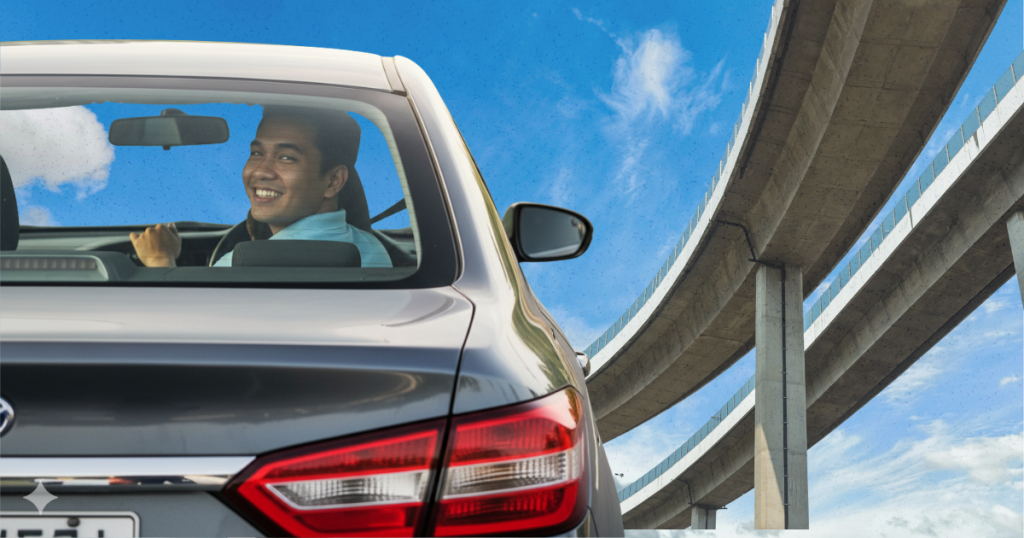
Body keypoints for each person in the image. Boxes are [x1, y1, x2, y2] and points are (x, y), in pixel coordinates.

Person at [130, 106, 392, 268]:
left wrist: (159, 261)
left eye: (286, 157)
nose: (260, 171)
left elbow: (186, 337)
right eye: (256, 153)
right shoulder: (371, 248)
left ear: (334, 181)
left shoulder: (241, 265)